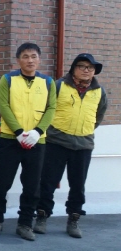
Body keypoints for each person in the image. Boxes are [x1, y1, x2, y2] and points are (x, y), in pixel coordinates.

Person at [0, 42, 56, 241]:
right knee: (2, 183)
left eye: (34, 56)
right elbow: (4, 105)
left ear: (39, 59)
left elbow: (51, 108)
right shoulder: (8, 79)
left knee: (32, 186)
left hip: (37, 142)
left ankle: (25, 223)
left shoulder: (47, 82)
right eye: (25, 56)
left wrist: (37, 131)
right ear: (18, 60)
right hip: (10, 140)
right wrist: (18, 132)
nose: (30, 60)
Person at [34, 54, 107, 238]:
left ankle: (73, 219)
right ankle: (42, 216)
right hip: (56, 142)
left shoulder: (99, 92)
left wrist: (85, 129)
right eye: (82, 66)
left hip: (83, 144)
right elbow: (47, 110)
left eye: (90, 68)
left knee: (78, 185)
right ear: (73, 68)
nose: (86, 70)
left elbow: (98, 116)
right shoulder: (59, 86)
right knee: (48, 182)